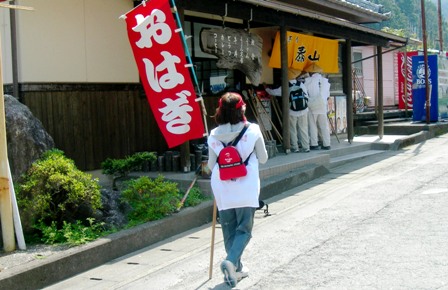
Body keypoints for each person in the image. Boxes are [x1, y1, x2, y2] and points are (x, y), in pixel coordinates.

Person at [207, 92, 268, 287]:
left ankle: (236, 271)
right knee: (244, 230)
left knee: (229, 230)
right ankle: (232, 262)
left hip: (222, 186)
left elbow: (210, 165)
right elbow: (264, 157)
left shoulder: (214, 134)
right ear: (242, 109)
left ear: (220, 111)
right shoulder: (253, 130)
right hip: (246, 186)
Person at [265, 69, 310, 153]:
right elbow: (307, 96)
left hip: (292, 111)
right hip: (303, 110)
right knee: (303, 128)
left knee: (292, 129)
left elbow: (274, 92)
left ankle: (295, 147)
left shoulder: (285, 86)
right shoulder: (301, 84)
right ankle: (306, 147)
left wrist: (266, 89)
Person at [305, 72, 332, 150]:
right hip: (322, 106)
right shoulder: (325, 81)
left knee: (312, 126)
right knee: (324, 126)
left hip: (312, 106)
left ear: (311, 72)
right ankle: (327, 144)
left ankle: (314, 144)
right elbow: (327, 95)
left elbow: (305, 94)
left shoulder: (308, 81)